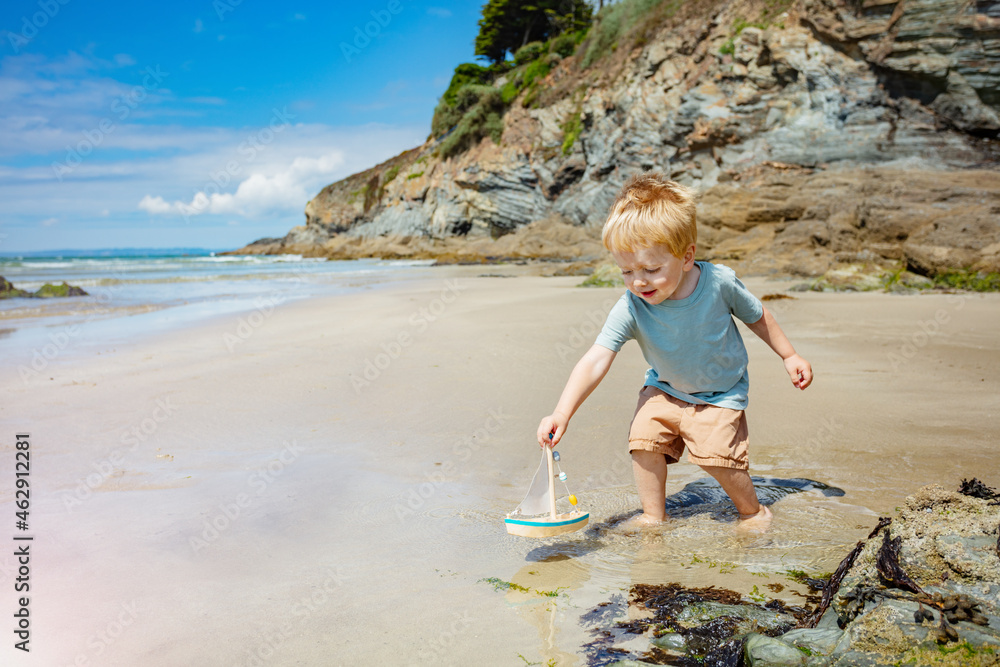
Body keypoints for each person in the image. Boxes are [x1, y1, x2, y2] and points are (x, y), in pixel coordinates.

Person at [536, 173, 812, 530]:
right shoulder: (632, 305)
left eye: (651, 269)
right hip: (665, 388)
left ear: (686, 257)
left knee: (718, 459)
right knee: (643, 441)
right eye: (626, 271)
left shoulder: (718, 284)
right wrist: (562, 412)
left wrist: (789, 355)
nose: (638, 281)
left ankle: (752, 511)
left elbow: (758, 316)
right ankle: (654, 515)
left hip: (720, 392)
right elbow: (597, 357)